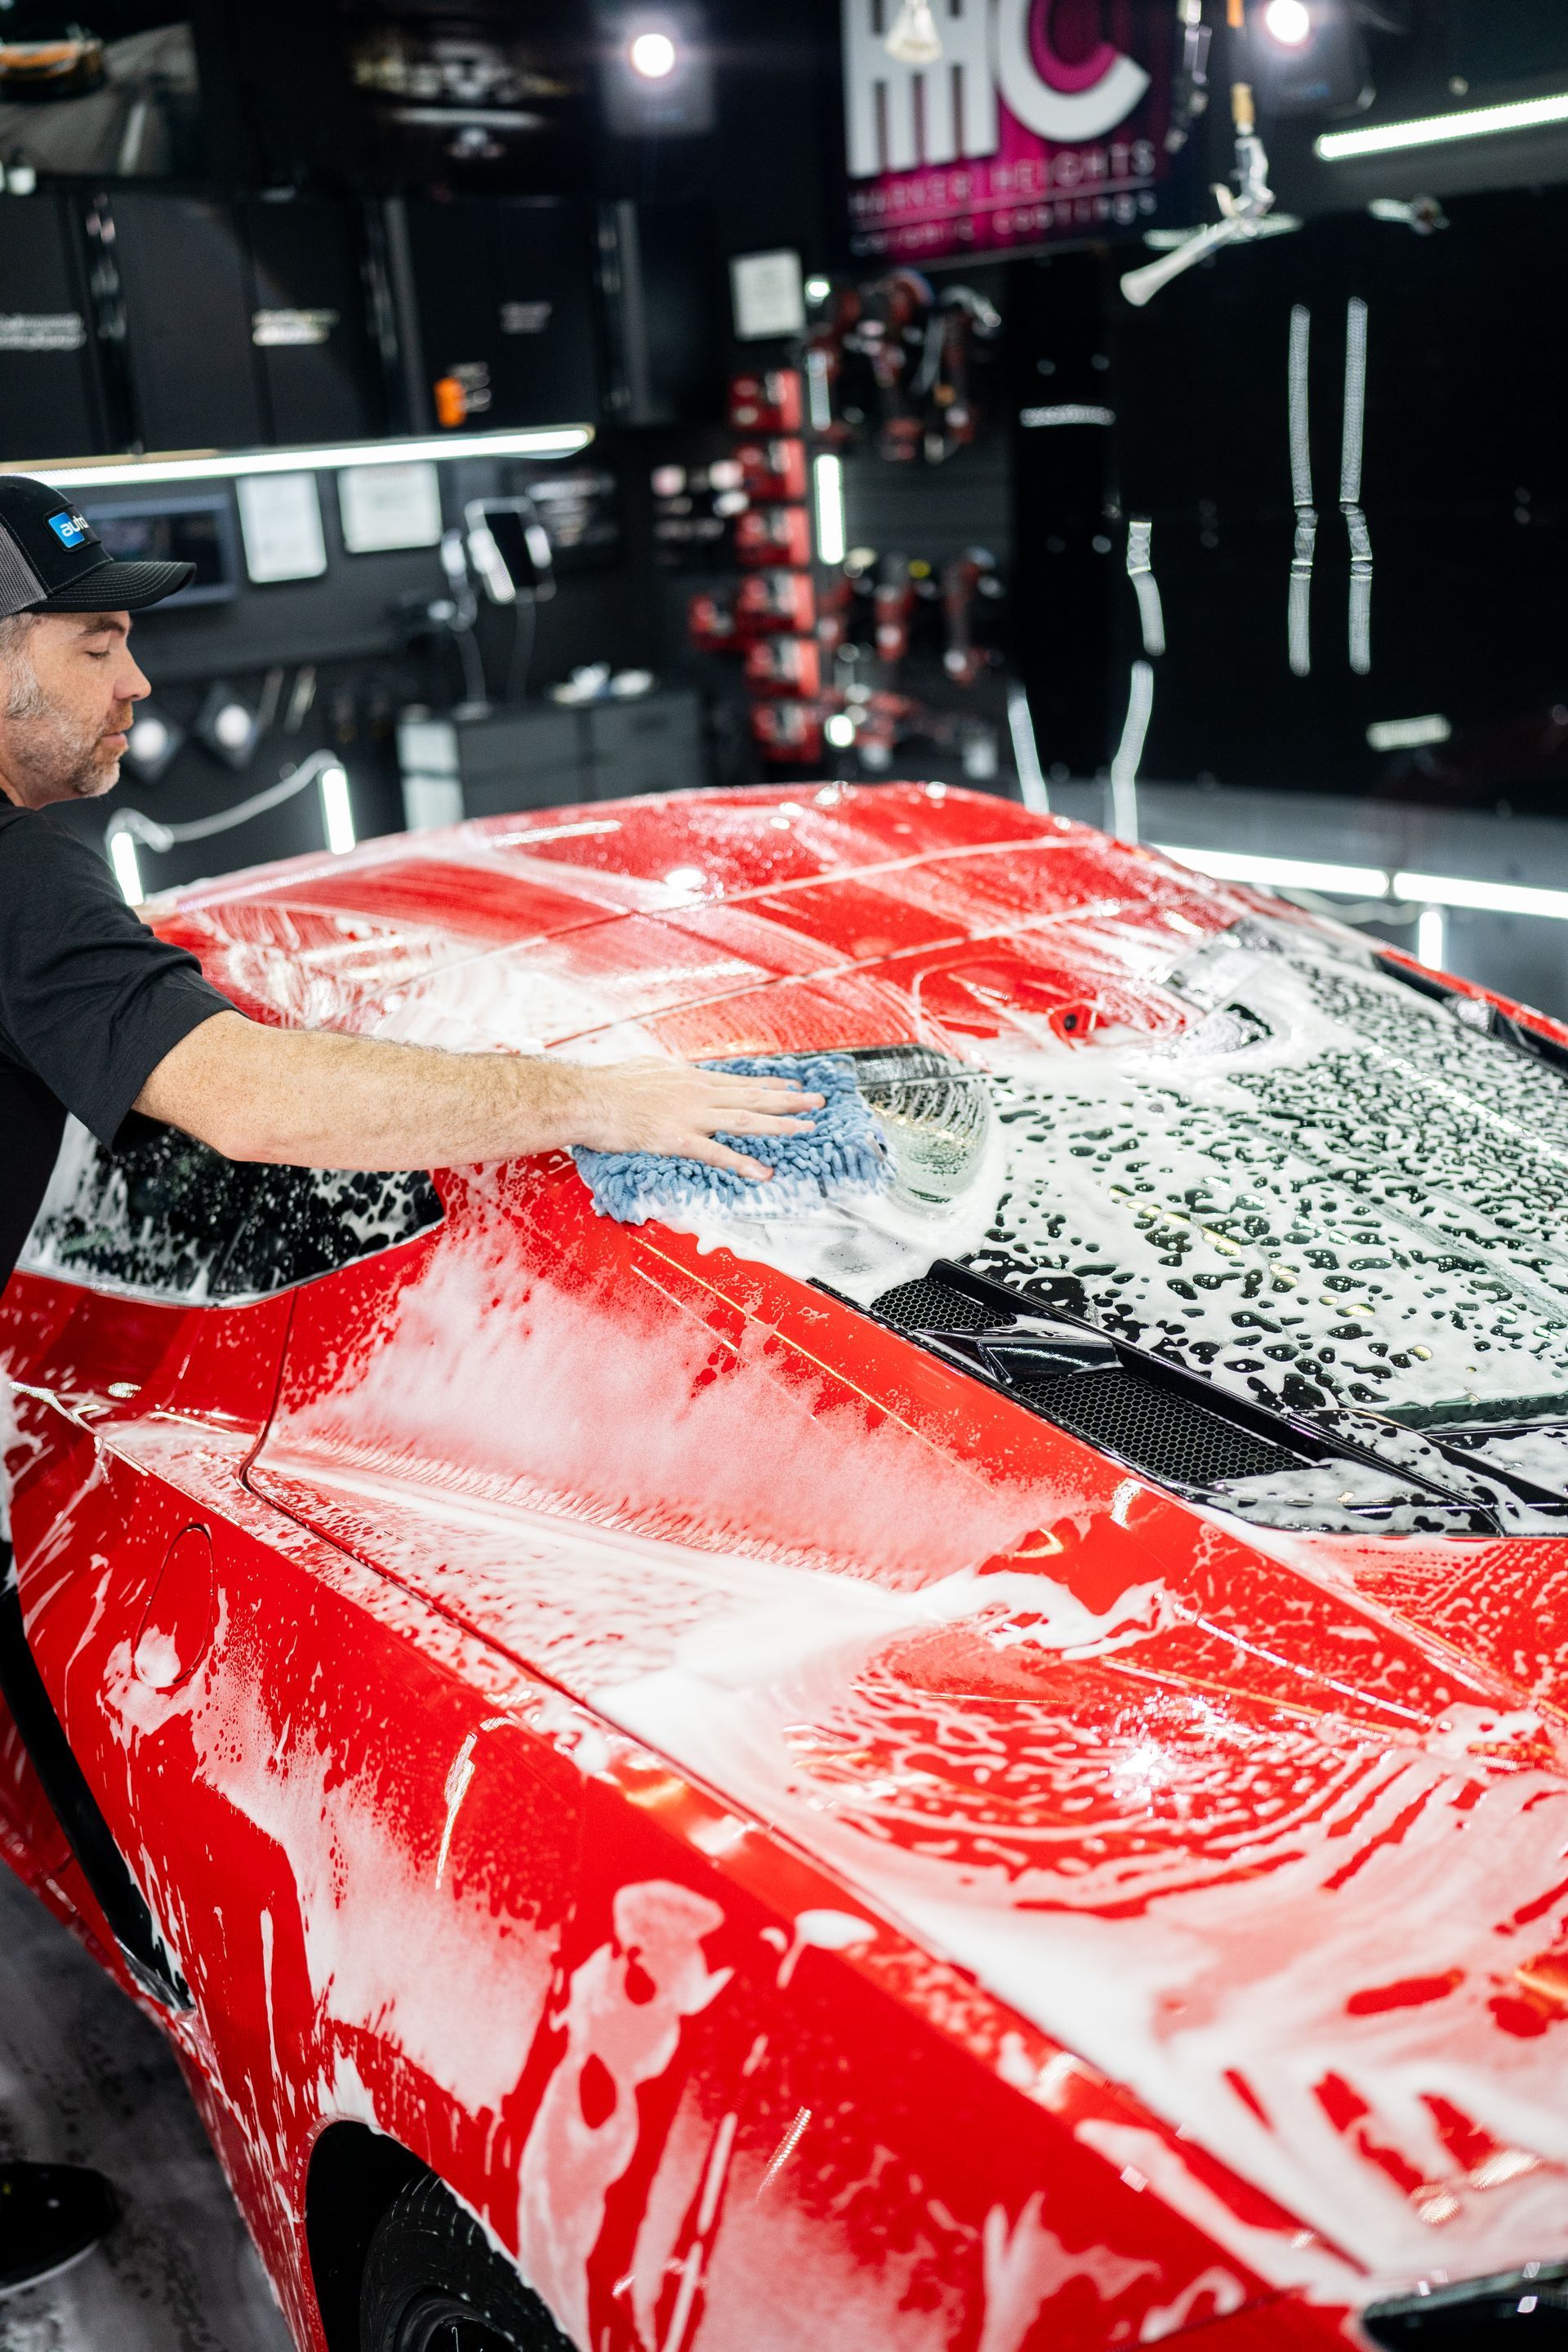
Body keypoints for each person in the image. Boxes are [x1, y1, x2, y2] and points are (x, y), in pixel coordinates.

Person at [0, 470, 821, 2294]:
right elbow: (250, 1095)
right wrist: (598, 1097)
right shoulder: (11, 858)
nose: (139, 686)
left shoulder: (31, 847)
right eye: (99, 640)